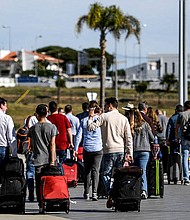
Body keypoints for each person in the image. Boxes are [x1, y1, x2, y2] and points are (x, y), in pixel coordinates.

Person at [87, 97, 133, 193]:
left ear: (110, 106)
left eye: (106, 105)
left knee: (106, 174)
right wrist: (129, 152)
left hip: (108, 150)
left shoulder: (104, 116)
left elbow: (90, 128)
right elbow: (128, 137)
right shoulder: (124, 119)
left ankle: (110, 191)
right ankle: (119, 191)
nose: (105, 107)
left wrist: (91, 117)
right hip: (120, 150)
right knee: (120, 173)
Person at [28, 104, 58, 213]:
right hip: (49, 160)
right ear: (47, 113)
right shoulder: (52, 127)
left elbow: (31, 146)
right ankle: (49, 202)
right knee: (50, 183)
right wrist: (52, 161)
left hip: (38, 160)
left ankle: (41, 205)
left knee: (39, 184)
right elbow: (52, 145)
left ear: (36, 114)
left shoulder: (32, 129)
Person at [74, 101, 103, 201]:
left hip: (87, 148)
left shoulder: (83, 120)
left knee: (87, 171)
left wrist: (75, 149)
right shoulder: (100, 119)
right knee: (96, 171)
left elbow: (78, 136)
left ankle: (86, 192)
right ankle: (95, 192)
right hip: (98, 148)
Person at [132, 108, 155, 199]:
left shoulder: (131, 125)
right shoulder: (145, 125)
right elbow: (152, 138)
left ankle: (134, 189)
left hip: (134, 150)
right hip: (145, 150)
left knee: (133, 172)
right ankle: (143, 190)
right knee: (143, 171)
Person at [0, 97, 17, 183]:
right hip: (2, 148)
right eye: (5, 105)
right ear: (1, 105)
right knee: (3, 174)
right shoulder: (7, 118)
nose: (6, 108)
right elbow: (11, 137)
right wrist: (14, 153)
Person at [175, 100, 190, 185]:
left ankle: (186, 177)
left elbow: (176, 127)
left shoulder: (181, 115)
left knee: (185, 156)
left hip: (184, 138)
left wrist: (178, 137)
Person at [155, 109, 169, 173]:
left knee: (159, 154)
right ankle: (165, 168)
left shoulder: (156, 118)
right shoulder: (166, 118)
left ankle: (160, 167)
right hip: (165, 137)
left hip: (158, 138)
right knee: (165, 154)